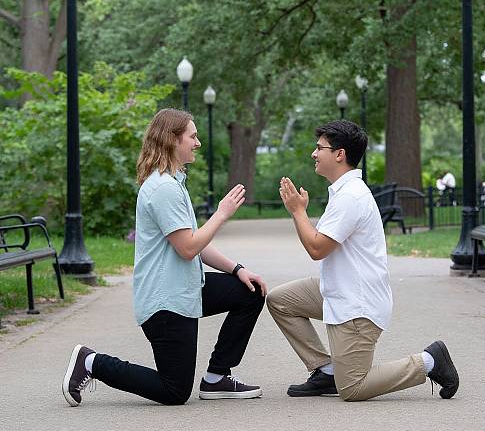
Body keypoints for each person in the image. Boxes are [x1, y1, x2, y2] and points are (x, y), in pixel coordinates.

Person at [62, 108, 267, 407]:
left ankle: (216, 377)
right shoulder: (162, 189)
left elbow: (195, 243)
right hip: (166, 303)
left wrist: (237, 270)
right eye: (192, 136)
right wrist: (221, 214)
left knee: (250, 292)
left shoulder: (173, 183)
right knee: (174, 391)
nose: (197, 143)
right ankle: (92, 362)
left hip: (185, 289)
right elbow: (188, 248)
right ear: (173, 140)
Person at [267, 120, 459, 401]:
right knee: (280, 300)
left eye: (319, 148)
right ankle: (326, 370)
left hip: (358, 305)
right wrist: (300, 212)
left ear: (339, 154)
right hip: (338, 291)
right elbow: (320, 241)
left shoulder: (351, 197)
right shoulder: (343, 192)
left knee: (353, 388)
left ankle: (429, 361)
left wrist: (297, 212)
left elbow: (317, 248)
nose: (314, 153)